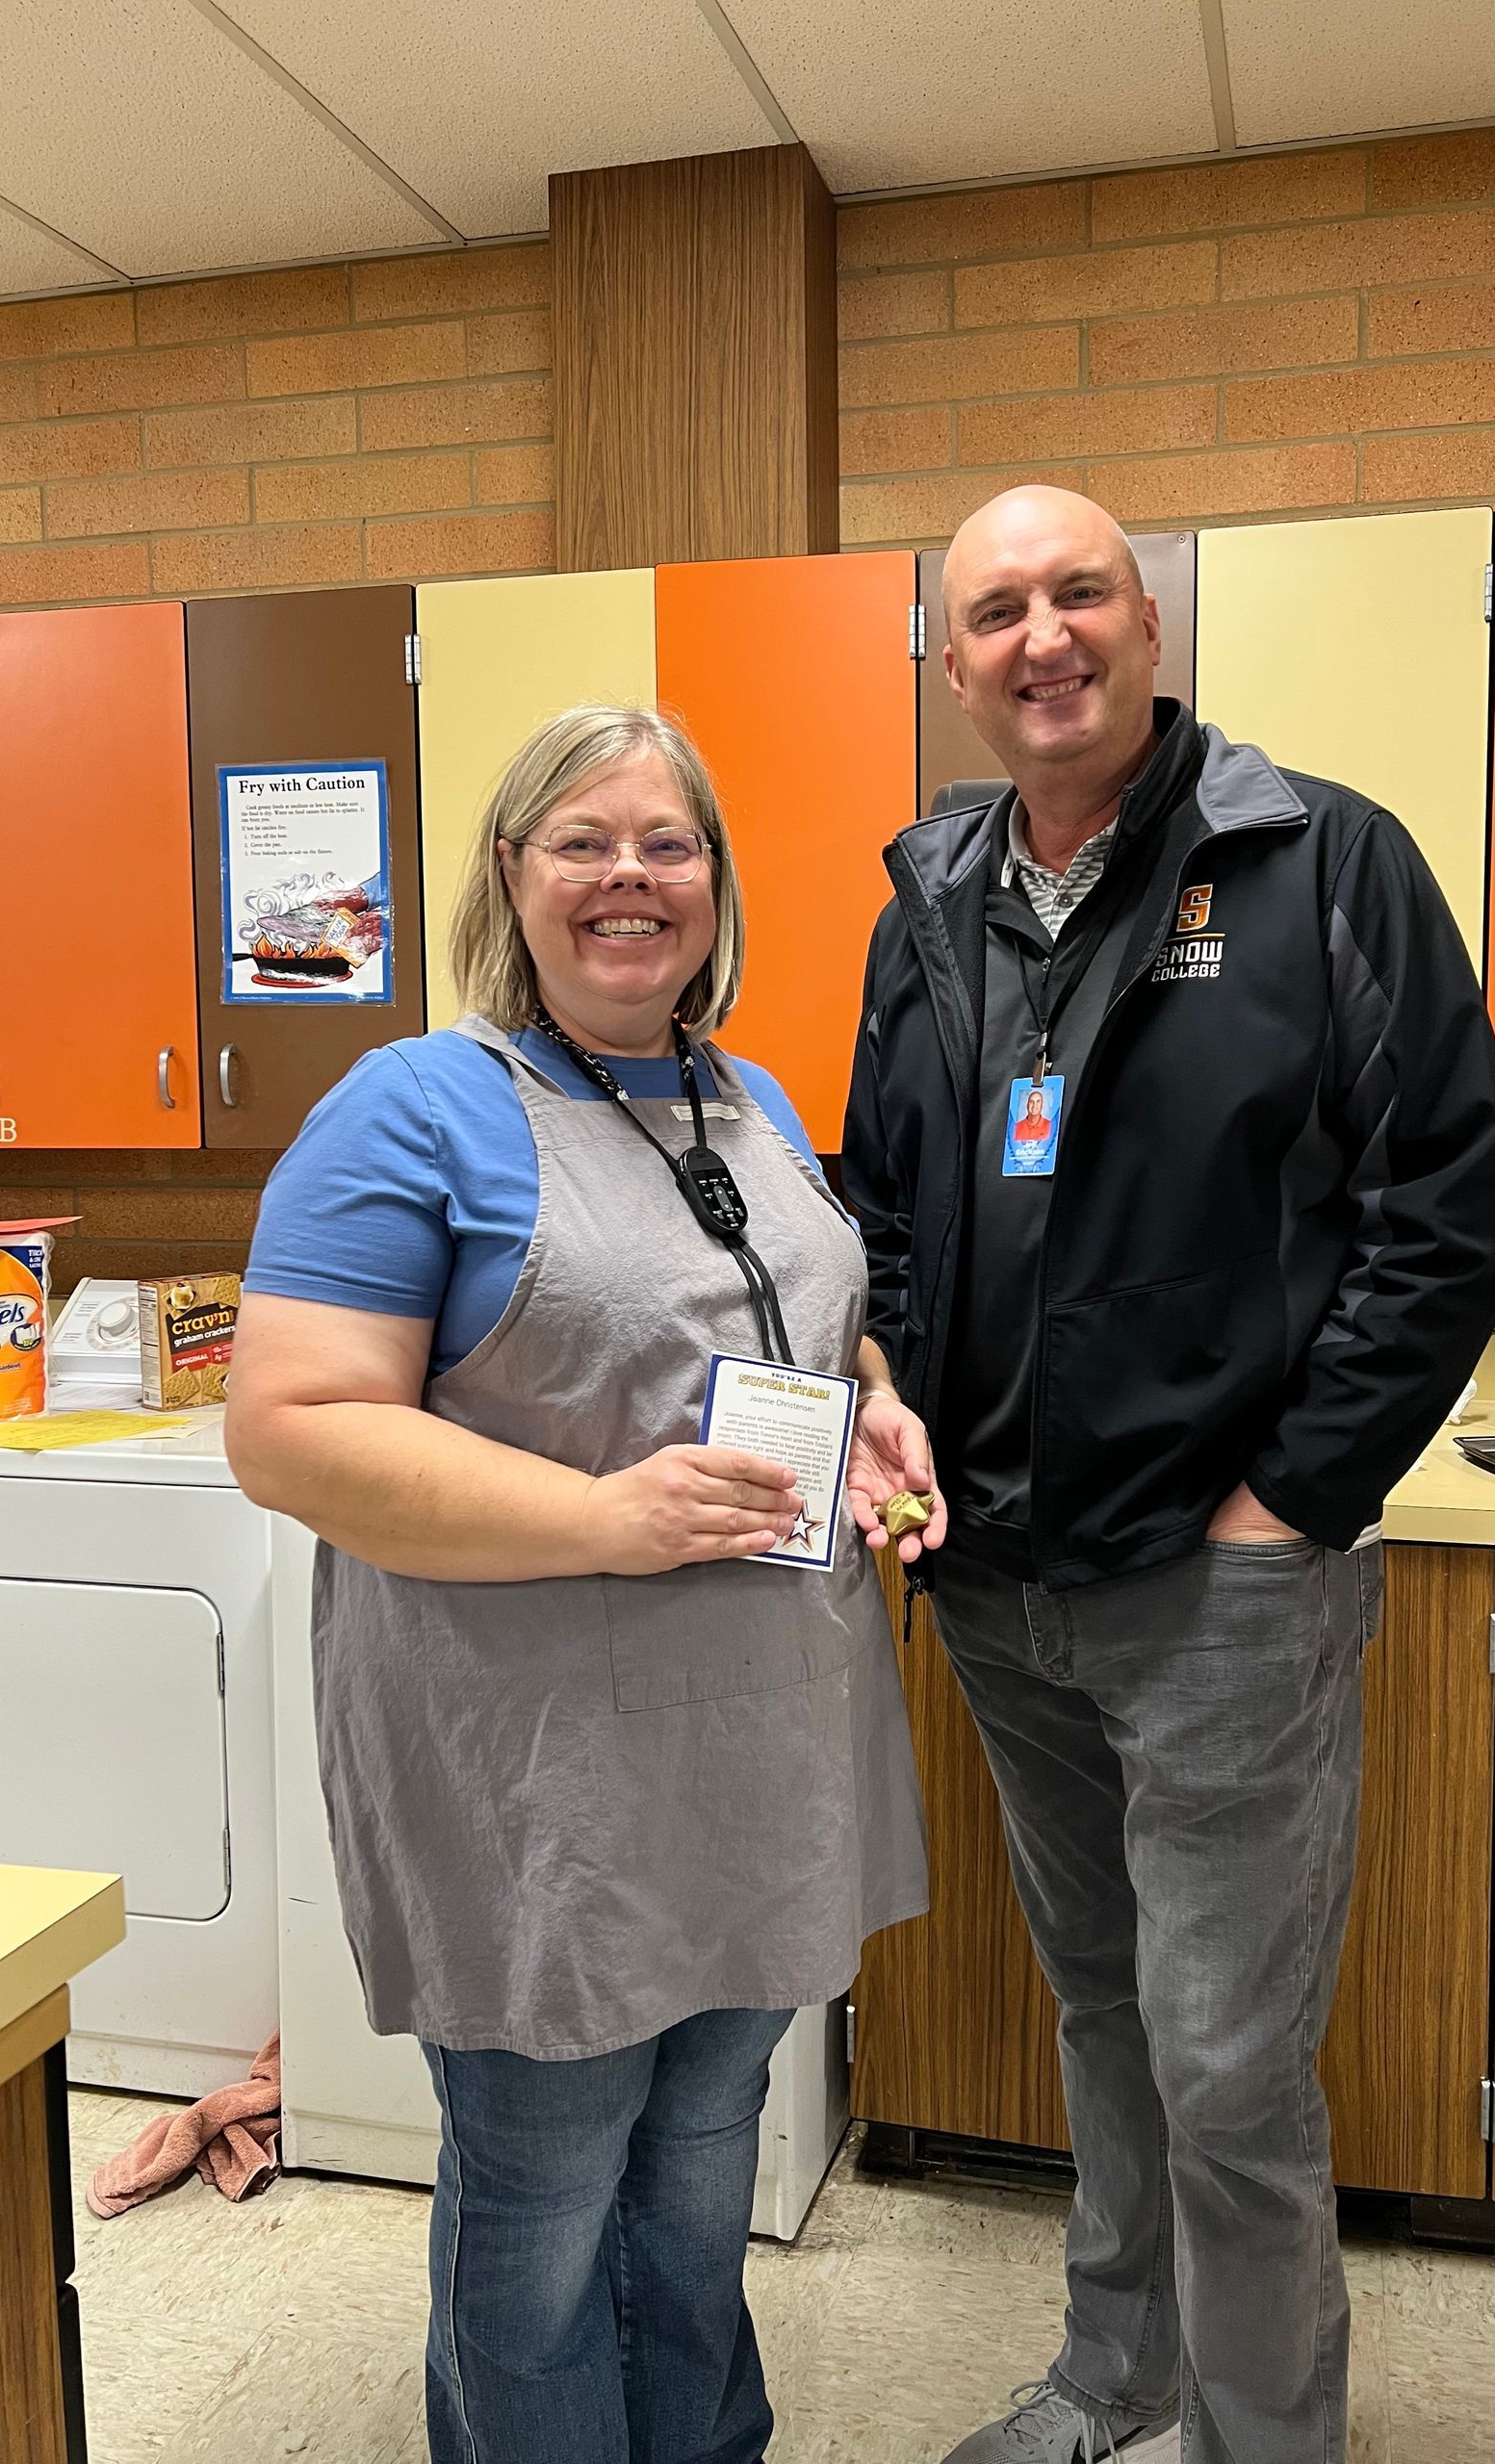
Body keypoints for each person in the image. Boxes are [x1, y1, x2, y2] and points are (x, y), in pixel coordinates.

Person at [841, 487, 1495, 2464]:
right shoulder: (931, 900)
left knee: (1230, 2060)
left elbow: (1448, 1208)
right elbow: (883, 1204)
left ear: (1149, 622)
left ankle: (1258, 2433)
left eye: (1079, 592)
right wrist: (885, 1380)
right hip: (995, 1573)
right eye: (995, 610)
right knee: (1109, 2017)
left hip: (1224, 1583)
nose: (1041, 635)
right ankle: (1110, 2374)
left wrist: (1288, 1503)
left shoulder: (1322, 862)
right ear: (951, 663)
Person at [226, 703, 938, 2464]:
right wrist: (606, 1515)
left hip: (761, 1745)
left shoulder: (746, 1096)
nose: (632, 876)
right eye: (584, 842)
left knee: (700, 2184)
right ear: (512, 878)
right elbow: (295, 1429)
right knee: (545, 2210)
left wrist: (874, 1422)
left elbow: (783, 1337)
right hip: (540, 1771)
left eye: (669, 844)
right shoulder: (413, 1106)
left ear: (715, 885)